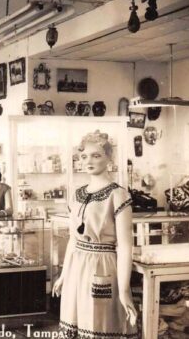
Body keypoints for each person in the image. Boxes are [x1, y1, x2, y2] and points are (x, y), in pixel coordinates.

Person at [52, 131, 137, 338]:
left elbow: (125, 246)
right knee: (76, 321)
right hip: (76, 268)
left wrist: (124, 291)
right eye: (84, 156)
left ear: (109, 158)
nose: (88, 160)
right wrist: (63, 275)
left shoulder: (118, 194)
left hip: (102, 266)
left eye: (96, 155)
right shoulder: (77, 194)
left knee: (99, 323)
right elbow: (74, 238)